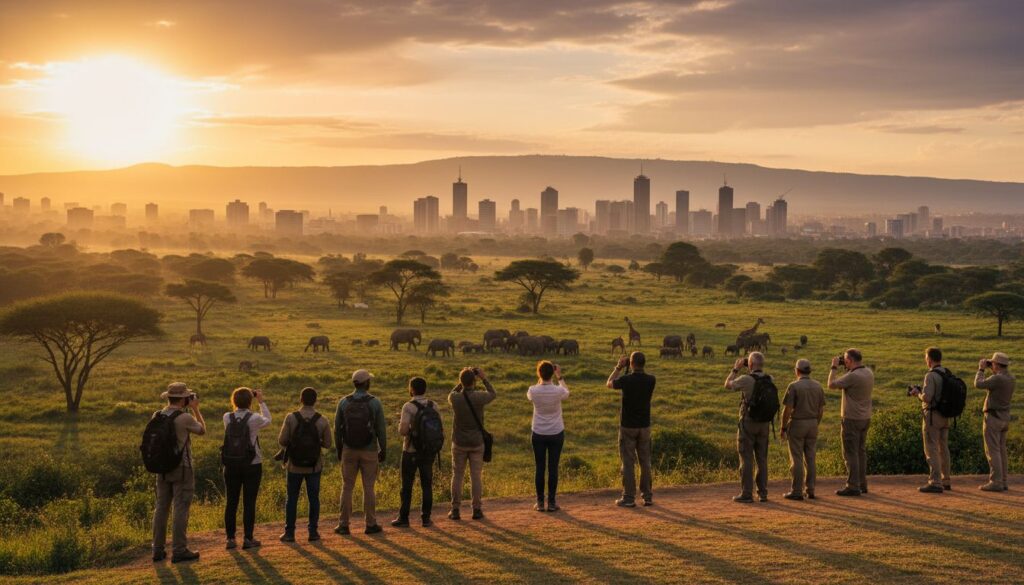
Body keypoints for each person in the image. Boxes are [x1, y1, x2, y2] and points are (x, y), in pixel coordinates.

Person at [152, 382, 206, 563]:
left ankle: (157, 550)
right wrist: (195, 409)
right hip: (182, 467)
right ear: (183, 399)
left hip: (161, 468)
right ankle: (179, 549)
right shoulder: (184, 418)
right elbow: (202, 430)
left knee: (161, 508)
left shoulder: (157, 415)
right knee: (180, 508)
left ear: (168, 397)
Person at [334, 369, 387, 535]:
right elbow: (381, 430)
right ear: (367, 383)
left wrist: (340, 450)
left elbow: (337, 430)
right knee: (369, 487)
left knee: (347, 487)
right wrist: (383, 449)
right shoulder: (375, 402)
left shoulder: (343, 402)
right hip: (369, 450)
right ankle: (370, 524)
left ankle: (343, 524)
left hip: (349, 449)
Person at [277, 387, 332, 543]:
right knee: (313, 498)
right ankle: (313, 532)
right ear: (315, 400)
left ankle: (289, 533)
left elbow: (282, 441)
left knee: (292, 498)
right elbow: (328, 444)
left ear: (301, 399)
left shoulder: (291, 417)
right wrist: (316, 442)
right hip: (314, 466)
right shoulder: (322, 420)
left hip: (294, 465)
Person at [221, 387, 271, 550]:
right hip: (252, 464)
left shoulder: (227, 417)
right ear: (250, 401)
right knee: (249, 502)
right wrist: (261, 401)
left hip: (231, 464)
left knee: (231, 501)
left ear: (233, 401)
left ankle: (230, 538)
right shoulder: (254, 418)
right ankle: (248, 538)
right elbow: (268, 420)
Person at [607, 351, 656, 507]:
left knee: (628, 463)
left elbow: (609, 382)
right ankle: (647, 496)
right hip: (645, 426)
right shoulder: (651, 380)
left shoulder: (626, 380)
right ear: (644, 363)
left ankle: (628, 497)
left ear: (632, 364)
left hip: (628, 426)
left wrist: (619, 367)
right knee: (645, 462)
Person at [448, 366, 497, 520]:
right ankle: (476, 510)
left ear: (462, 382)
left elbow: (451, 393)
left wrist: (461, 381)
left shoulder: (455, 398)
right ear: (474, 382)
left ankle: (455, 510)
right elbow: (493, 394)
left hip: (459, 442)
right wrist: (483, 378)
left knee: (457, 476)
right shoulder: (479, 397)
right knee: (476, 477)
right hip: (476, 442)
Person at [725, 352, 772, 503]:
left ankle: (746, 493)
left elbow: (727, 384)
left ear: (750, 365)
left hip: (748, 423)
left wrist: (736, 369)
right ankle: (763, 493)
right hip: (764, 424)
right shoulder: (770, 379)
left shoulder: (746, 379)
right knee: (762, 459)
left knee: (746, 459)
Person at [392, 377, 438, 528]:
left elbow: (403, 431)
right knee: (427, 484)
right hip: (428, 451)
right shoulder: (433, 405)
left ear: (411, 389)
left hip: (411, 450)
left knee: (406, 485)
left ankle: (404, 517)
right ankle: (426, 518)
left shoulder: (408, 406)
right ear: (425, 389)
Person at [827, 348, 874, 496]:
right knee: (860, 452)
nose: (844, 362)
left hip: (851, 419)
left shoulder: (853, 376)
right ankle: (862, 484)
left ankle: (853, 486)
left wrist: (834, 367)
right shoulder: (868, 372)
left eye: (846, 360)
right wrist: (847, 367)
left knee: (850, 453)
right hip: (865, 417)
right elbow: (850, 376)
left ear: (851, 361)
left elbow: (831, 384)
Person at [780, 359, 825, 500]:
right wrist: (815, 423)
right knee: (810, 458)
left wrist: (783, 427)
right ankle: (810, 489)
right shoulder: (818, 386)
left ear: (797, 371)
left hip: (798, 424)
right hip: (812, 424)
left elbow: (787, 410)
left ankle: (796, 490)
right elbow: (821, 410)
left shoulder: (794, 386)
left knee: (797, 458)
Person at [528, 361, 570, 512]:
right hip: (556, 432)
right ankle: (552, 502)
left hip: (538, 432)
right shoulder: (558, 391)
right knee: (553, 468)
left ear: (539, 374)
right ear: (552, 373)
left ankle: (540, 502)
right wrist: (560, 376)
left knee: (540, 467)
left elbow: (531, 395)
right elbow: (567, 393)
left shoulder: (532, 390)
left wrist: (541, 378)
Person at [910, 347, 951, 493]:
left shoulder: (931, 375)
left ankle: (935, 481)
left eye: (926, 358)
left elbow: (927, 397)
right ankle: (946, 479)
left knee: (931, 448)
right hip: (945, 415)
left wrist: (917, 394)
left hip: (932, 416)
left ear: (930, 359)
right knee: (943, 448)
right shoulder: (946, 372)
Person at [975, 352, 1015, 492]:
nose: (991, 365)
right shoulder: (1011, 378)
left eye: (993, 363)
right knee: (1001, 450)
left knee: (993, 451)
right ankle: (1003, 481)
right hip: (1004, 417)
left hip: (993, 417)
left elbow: (978, 384)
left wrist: (981, 369)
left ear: (997, 364)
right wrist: (991, 368)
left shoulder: (997, 378)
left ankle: (995, 481)